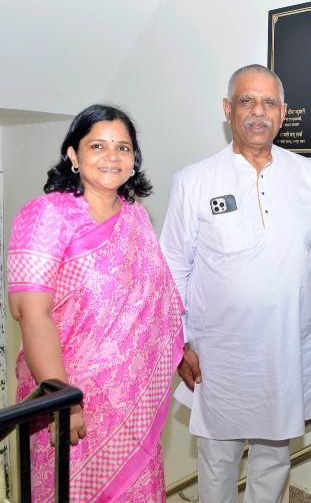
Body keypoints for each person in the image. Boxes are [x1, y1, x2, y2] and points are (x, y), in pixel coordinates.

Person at [160, 64, 311, 502]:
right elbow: (173, 266)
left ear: (283, 113)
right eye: (247, 101)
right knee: (218, 461)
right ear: (227, 108)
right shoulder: (195, 180)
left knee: (274, 458)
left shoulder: (308, 176)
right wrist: (180, 341)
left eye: (269, 103)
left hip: (286, 344)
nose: (258, 112)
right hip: (220, 352)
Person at [7, 104, 184, 502]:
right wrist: (63, 401)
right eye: (98, 145)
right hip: (70, 401)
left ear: (134, 158)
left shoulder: (136, 218)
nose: (112, 156)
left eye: (123, 147)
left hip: (132, 403)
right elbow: (30, 313)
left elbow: (158, 303)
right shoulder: (46, 216)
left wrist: (182, 348)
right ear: (73, 154)